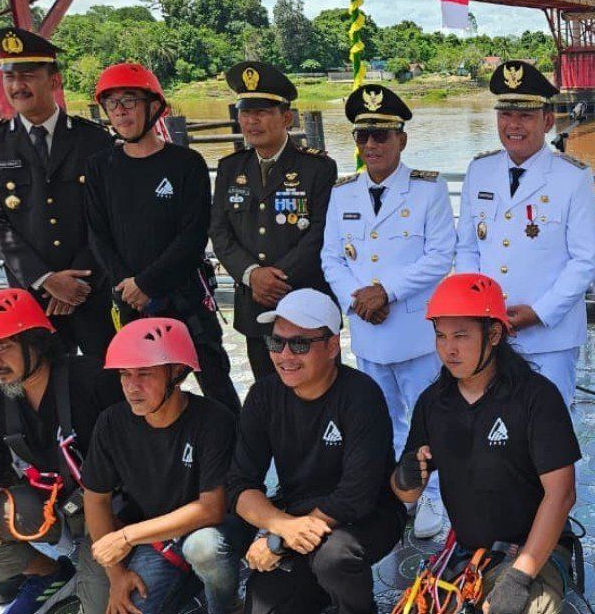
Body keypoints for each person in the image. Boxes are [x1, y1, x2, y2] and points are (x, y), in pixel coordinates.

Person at [390, 273, 580, 614]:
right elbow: (405, 493)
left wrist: (520, 575)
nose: (448, 349)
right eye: (440, 336)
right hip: (469, 553)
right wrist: (405, 476)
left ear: (493, 334)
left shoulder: (535, 397)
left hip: (531, 547)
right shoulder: (433, 402)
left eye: (461, 335)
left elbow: (562, 492)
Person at [227, 289, 404, 614]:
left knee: (334, 556)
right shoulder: (264, 395)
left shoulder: (361, 396)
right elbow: (240, 484)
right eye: (277, 341)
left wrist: (278, 540)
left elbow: (356, 495)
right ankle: (323, 589)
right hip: (295, 516)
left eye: (300, 344)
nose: (285, 355)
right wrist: (280, 526)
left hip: (367, 515)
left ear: (331, 346)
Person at [0, 289, 123, 614]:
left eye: (2, 346)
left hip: (112, 508)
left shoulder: (94, 378)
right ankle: (51, 574)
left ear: (35, 341)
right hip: (50, 506)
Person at [322, 84, 455, 539]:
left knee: (427, 414)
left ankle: (436, 495)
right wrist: (359, 299)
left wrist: (386, 292)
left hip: (414, 328)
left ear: (402, 139)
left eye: (382, 136)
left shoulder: (428, 190)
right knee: (380, 417)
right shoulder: (342, 194)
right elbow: (331, 259)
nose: (372, 146)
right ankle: (401, 492)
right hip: (369, 328)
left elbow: (440, 256)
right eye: (363, 137)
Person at [81, 317, 249, 614]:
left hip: (210, 532)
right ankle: (189, 583)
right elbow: (95, 498)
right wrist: (116, 573)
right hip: (157, 538)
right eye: (125, 375)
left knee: (203, 548)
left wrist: (125, 538)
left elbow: (211, 509)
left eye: (144, 374)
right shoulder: (111, 422)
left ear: (176, 373)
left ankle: (226, 609)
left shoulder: (213, 419)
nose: (131, 387)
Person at [84, 62, 240, 414]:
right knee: (142, 382)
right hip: (128, 297)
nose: (120, 111)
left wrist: (148, 283)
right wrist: (129, 286)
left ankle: (234, 456)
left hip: (184, 293)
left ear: (153, 106)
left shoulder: (187, 163)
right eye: (112, 104)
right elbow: (98, 233)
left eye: (129, 100)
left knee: (214, 378)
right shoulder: (99, 167)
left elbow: (193, 234)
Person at [454, 60, 595, 407]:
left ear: (548, 121)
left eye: (526, 115)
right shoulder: (479, 170)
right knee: (493, 426)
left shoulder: (573, 177)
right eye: (505, 114)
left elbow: (586, 260)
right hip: (489, 332)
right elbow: (467, 248)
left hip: (550, 335)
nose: (513, 125)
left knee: (552, 430)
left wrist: (540, 312)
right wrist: (480, 307)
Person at [0, 27, 116, 358]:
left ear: (53, 81)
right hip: (30, 294)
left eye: (28, 76)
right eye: (10, 77)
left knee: (105, 378)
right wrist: (46, 279)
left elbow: (107, 216)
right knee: (42, 381)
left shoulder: (94, 141)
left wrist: (77, 283)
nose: (17, 86)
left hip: (89, 289)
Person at [209, 61, 337, 380]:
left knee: (315, 387)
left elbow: (321, 232)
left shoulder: (317, 169)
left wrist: (276, 279)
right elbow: (220, 231)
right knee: (267, 390)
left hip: (304, 298)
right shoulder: (230, 168)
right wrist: (252, 275)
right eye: (245, 112)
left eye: (263, 111)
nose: (252, 121)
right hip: (254, 304)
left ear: (286, 117)